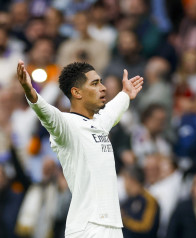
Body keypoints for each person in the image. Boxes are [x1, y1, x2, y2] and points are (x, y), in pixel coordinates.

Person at [16, 60, 144, 237]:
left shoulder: (98, 124)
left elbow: (113, 110)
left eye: (101, 81)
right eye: (95, 83)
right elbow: (47, 115)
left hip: (111, 226)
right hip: (87, 228)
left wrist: (125, 94)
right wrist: (31, 93)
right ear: (76, 92)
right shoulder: (66, 125)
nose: (104, 87)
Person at [121, 166, 160, 238]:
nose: (123, 184)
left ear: (131, 180)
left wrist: (124, 220)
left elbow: (146, 228)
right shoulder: (127, 200)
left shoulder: (149, 201)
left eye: (125, 179)